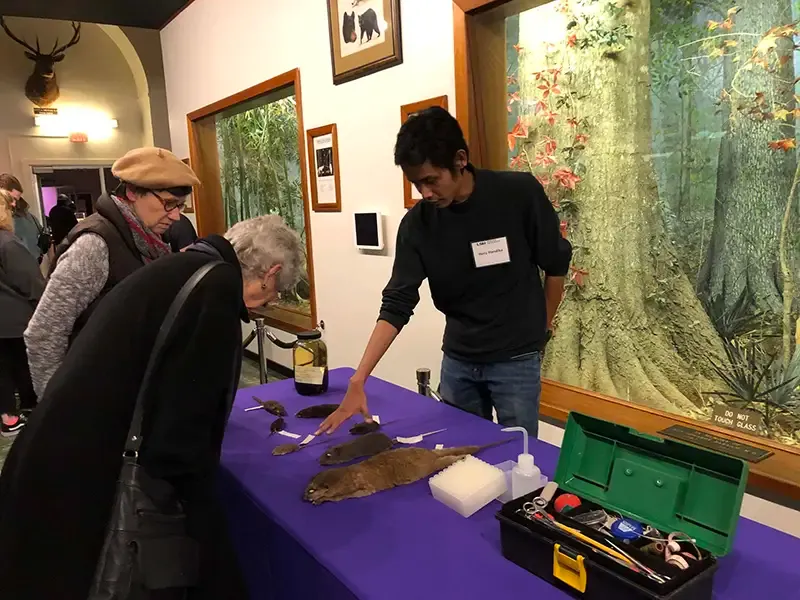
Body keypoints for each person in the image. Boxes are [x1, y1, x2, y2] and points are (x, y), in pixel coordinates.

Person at [0, 214, 304, 599]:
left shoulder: (185, 264)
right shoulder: (215, 289)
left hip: (50, 456)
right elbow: (183, 430)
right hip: (90, 474)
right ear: (270, 272)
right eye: (277, 290)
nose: (272, 300)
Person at [318, 107, 572, 438]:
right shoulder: (418, 225)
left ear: (460, 160)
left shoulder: (518, 195)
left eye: (431, 180)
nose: (424, 193)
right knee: (458, 453)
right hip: (458, 360)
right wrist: (359, 377)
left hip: (516, 360)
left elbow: (555, 264)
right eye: (416, 183)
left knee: (518, 457)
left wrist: (543, 330)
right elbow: (397, 302)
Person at [24, 147, 200, 397]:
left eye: (180, 206)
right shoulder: (95, 244)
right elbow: (43, 333)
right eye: (168, 204)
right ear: (132, 192)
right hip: (92, 397)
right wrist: (56, 411)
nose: (175, 216)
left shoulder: (147, 240)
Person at [0, 192, 44, 437]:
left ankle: (8, 418)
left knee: (2, 371)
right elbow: (30, 282)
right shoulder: (8, 243)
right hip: (16, 319)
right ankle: (33, 411)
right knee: (24, 367)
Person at [0, 175, 47, 262]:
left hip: (27, 266)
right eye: (11, 198)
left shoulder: (27, 216)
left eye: (17, 199)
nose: (14, 204)